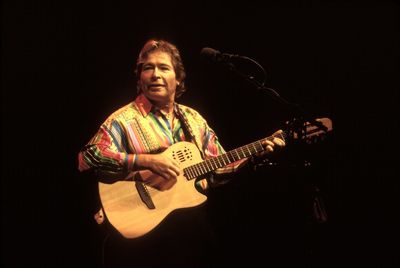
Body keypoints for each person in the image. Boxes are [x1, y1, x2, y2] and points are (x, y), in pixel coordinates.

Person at [78, 39, 285, 267]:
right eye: (148, 68)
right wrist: (143, 160)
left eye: (163, 67)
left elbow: (218, 168)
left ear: (178, 79)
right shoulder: (124, 119)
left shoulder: (194, 120)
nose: (155, 74)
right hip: (140, 243)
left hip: (188, 239)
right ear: (140, 78)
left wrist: (256, 154)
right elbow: (87, 158)